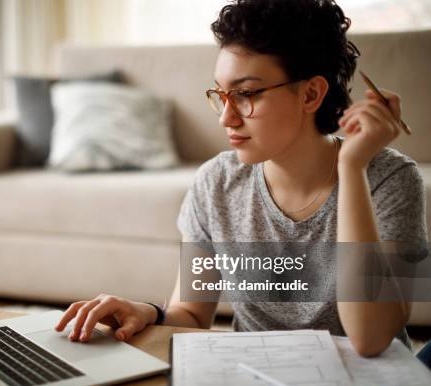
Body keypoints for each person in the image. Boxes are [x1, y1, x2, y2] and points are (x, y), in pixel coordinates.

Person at [54, 0, 427, 357]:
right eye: (221, 94)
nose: (226, 118)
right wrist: (150, 312)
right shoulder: (215, 181)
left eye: (246, 94)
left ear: (311, 93)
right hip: (251, 385)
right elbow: (193, 315)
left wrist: (352, 169)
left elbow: (371, 339)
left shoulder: (391, 179)